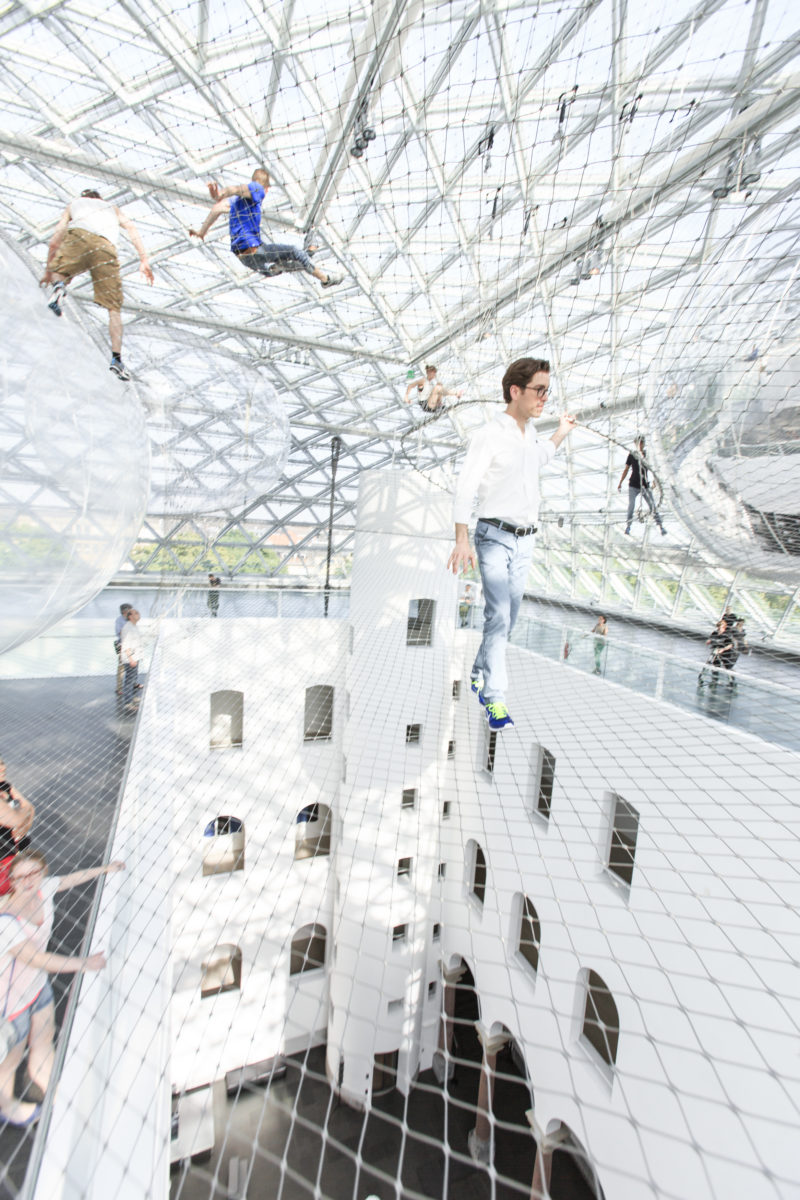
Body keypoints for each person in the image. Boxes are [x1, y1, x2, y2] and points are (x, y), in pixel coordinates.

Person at [447, 357, 575, 731]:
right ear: (515, 391)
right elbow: (467, 486)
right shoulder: (489, 435)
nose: (544, 398)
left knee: (507, 620)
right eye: (539, 390)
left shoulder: (530, 435)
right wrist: (461, 538)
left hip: (525, 543)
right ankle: (495, 698)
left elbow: (538, 458)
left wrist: (561, 432)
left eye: (547, 391)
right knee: (499, 616)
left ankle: (477, 670)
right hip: (494, 538)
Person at [0, 850, 116, 1124]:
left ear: (42, 872)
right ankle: (7, 1106)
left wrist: (104, 869)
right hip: (9, 1003)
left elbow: (70, 879)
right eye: (21, 876)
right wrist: (83, 963)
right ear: (12, 881)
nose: (29, 880)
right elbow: (36, 958)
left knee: (43, 1043)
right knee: (11, 1059)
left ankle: (57, 1095)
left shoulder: (44, 888)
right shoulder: (5, 919)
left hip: (37, 989)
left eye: (34, 873)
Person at [40, 188, 154, 381]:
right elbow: (132, 228)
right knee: (113, 307)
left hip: (79, 236)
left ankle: (59, 288)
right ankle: (116, 359)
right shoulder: (112, 207)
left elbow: (55, 241)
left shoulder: (74, 204)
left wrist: (49, 271)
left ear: (83, 197)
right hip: (106, 246)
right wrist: (144, 259)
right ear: (100, 199)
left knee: (59, 272)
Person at [189, 169, 343, 289]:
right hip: (256, 250)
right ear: (267, 188)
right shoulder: (258, 189)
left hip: (244, 258)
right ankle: (325, 279)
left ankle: (274, 267)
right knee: (294, 252)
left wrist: (202, 232)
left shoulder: (236, 202)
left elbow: (216, 208)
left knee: (284, 264)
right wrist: (221, 192)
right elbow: (236, 189)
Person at [618, 436, 666, 535]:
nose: (639, 445)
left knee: (652, 506)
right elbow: (626, 469)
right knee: (631, 505)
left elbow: (653, 469)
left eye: (641, 443)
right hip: (633, 485)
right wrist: (620, 482)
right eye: (638, 443)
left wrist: (654, 481)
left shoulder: (647, 455)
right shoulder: (632, 455)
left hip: (645, 485)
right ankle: (628, 526)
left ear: (643, 444)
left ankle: (660, 526)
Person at [0, 758, 34, 896]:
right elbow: (18, 819)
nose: (3, 768)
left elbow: (30, 808)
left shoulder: (5, 786)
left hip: (12, 853)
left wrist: (21, 828)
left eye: (2, 763)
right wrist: (21, 818)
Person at [119, 608, 143, 710]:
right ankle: (128, 703)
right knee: (129, 681)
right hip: (130, 659)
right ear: (130, 616)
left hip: (135, 657)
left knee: (133, 680)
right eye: (136, 613)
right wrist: (131, 659)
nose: (139, 614)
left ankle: (132, 698)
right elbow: (125, 645)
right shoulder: (127, 628)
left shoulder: (134, 626)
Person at [114, 603, 133, 695]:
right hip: (123, 645)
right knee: (122, 667)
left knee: (133, 666)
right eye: (129, 610)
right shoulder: (119, 620)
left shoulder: (131, 619)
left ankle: (133, 683)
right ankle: (119, 687)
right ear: (124, 611)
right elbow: (120, 633)